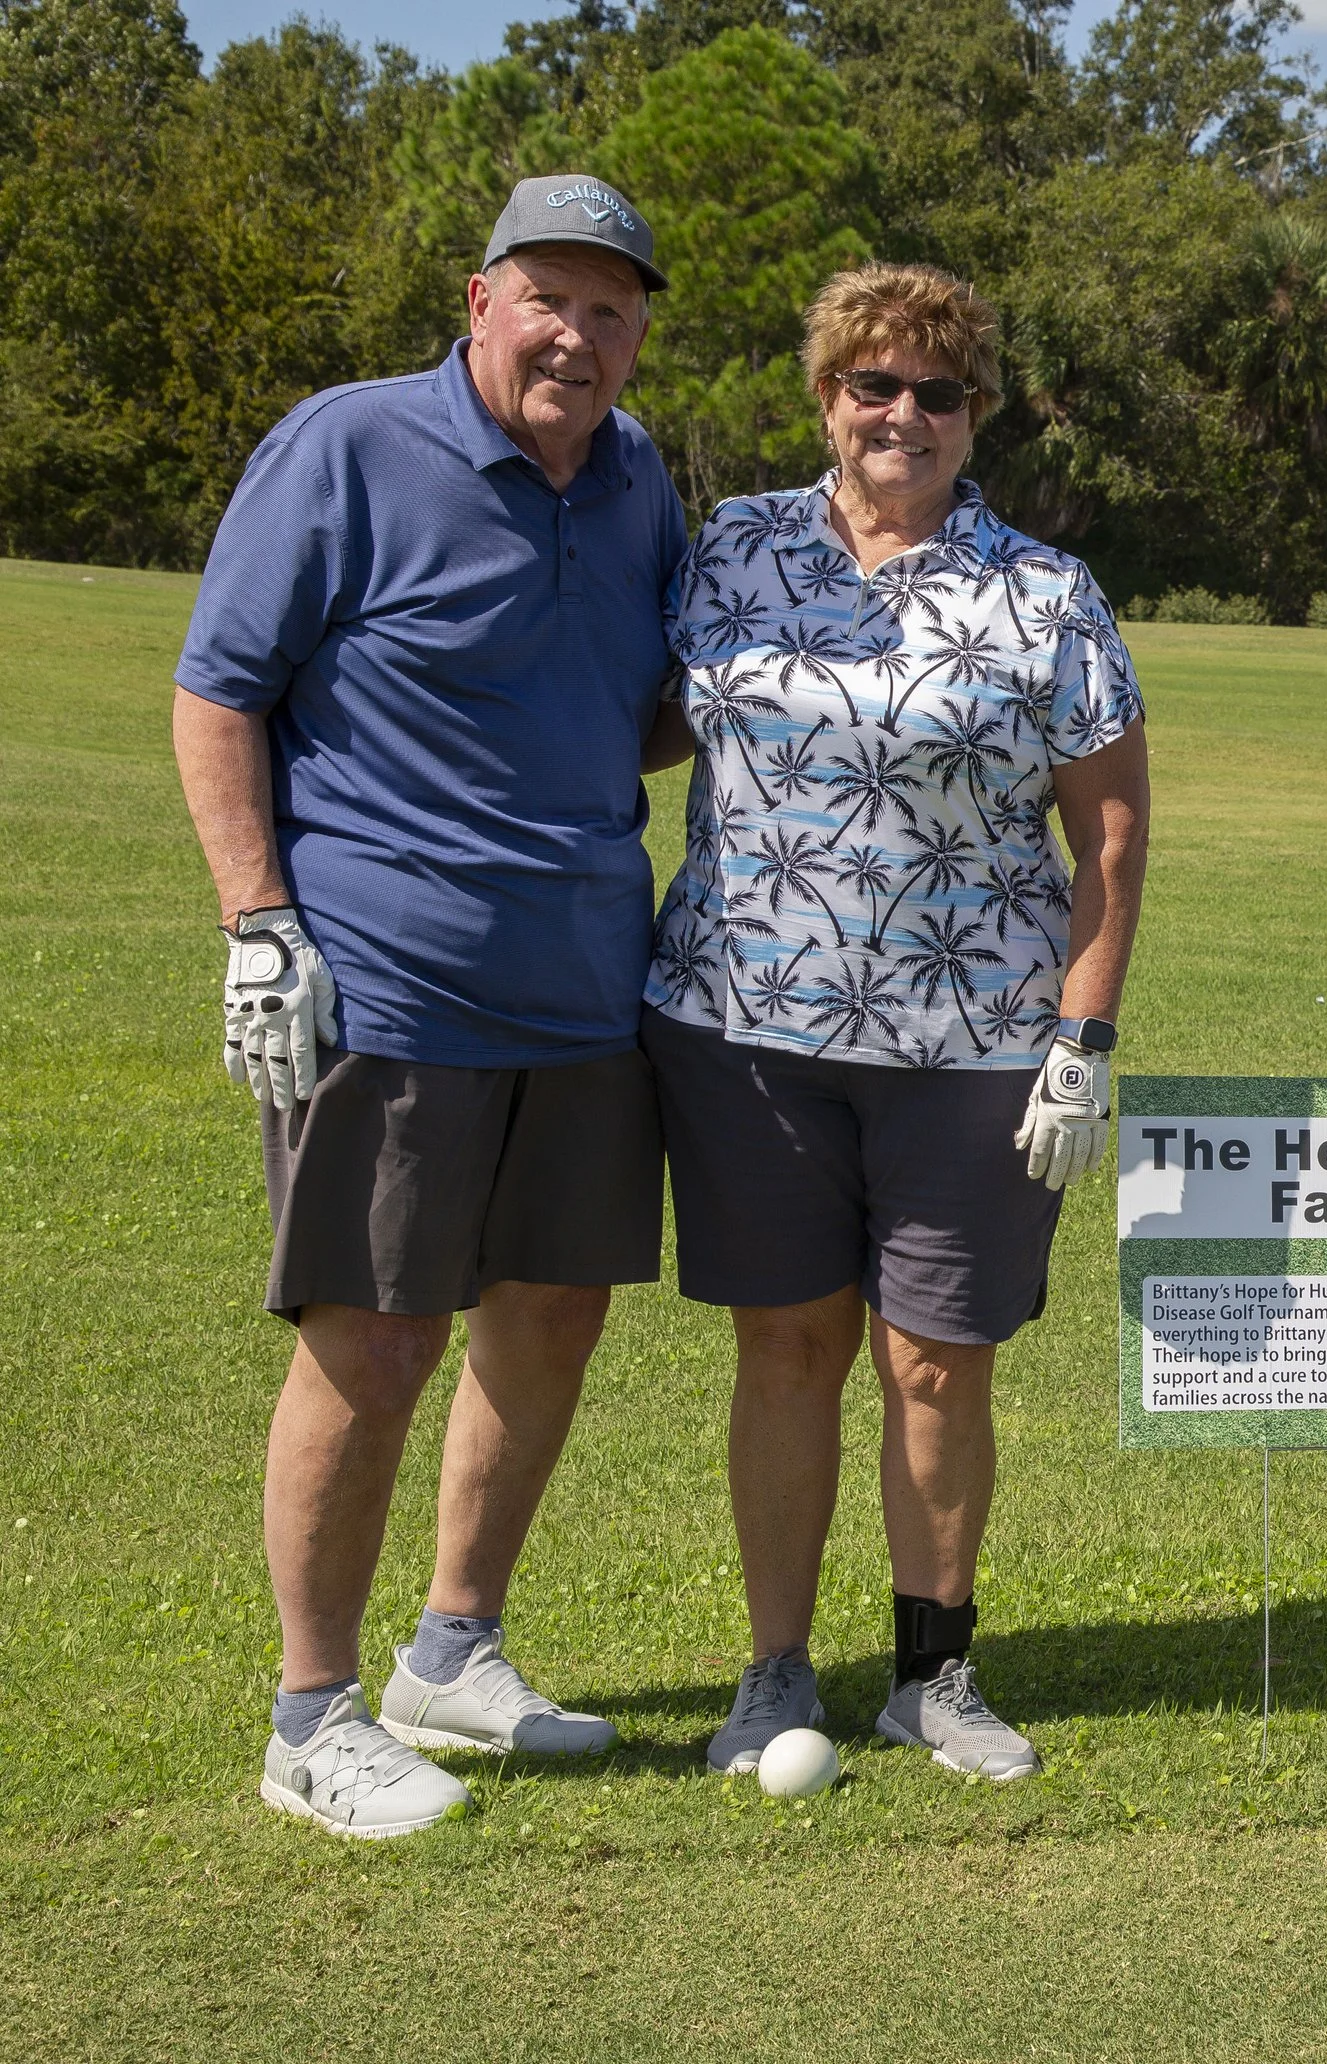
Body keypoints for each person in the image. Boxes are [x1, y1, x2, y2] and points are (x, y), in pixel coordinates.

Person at [172, 176, 688, 1837]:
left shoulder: (635, 478)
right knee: (376, 1334)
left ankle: (451, 1652)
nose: (578, 336)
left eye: (612, 311)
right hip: (390, 981)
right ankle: (309, 1710)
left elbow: (646, 702)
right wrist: (258, 918)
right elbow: (219, 684)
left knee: (553, 1314)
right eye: (549, 297)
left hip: (590, 984)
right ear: (478, 301)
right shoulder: (345, 445)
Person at [642, 261, 1150, 1784]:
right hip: (743, 1031)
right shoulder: (731, 548)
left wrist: (1085, 1039)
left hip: (977, 1049)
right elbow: (646, 717)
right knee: (786, 1352)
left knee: (937, 1362)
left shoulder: (1047, 591)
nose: (904, 415)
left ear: (976, 413)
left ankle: (933, 1671)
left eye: (939, 391)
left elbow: (1112, 838)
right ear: (827, 395)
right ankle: (775, 1671)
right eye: (875, 384)